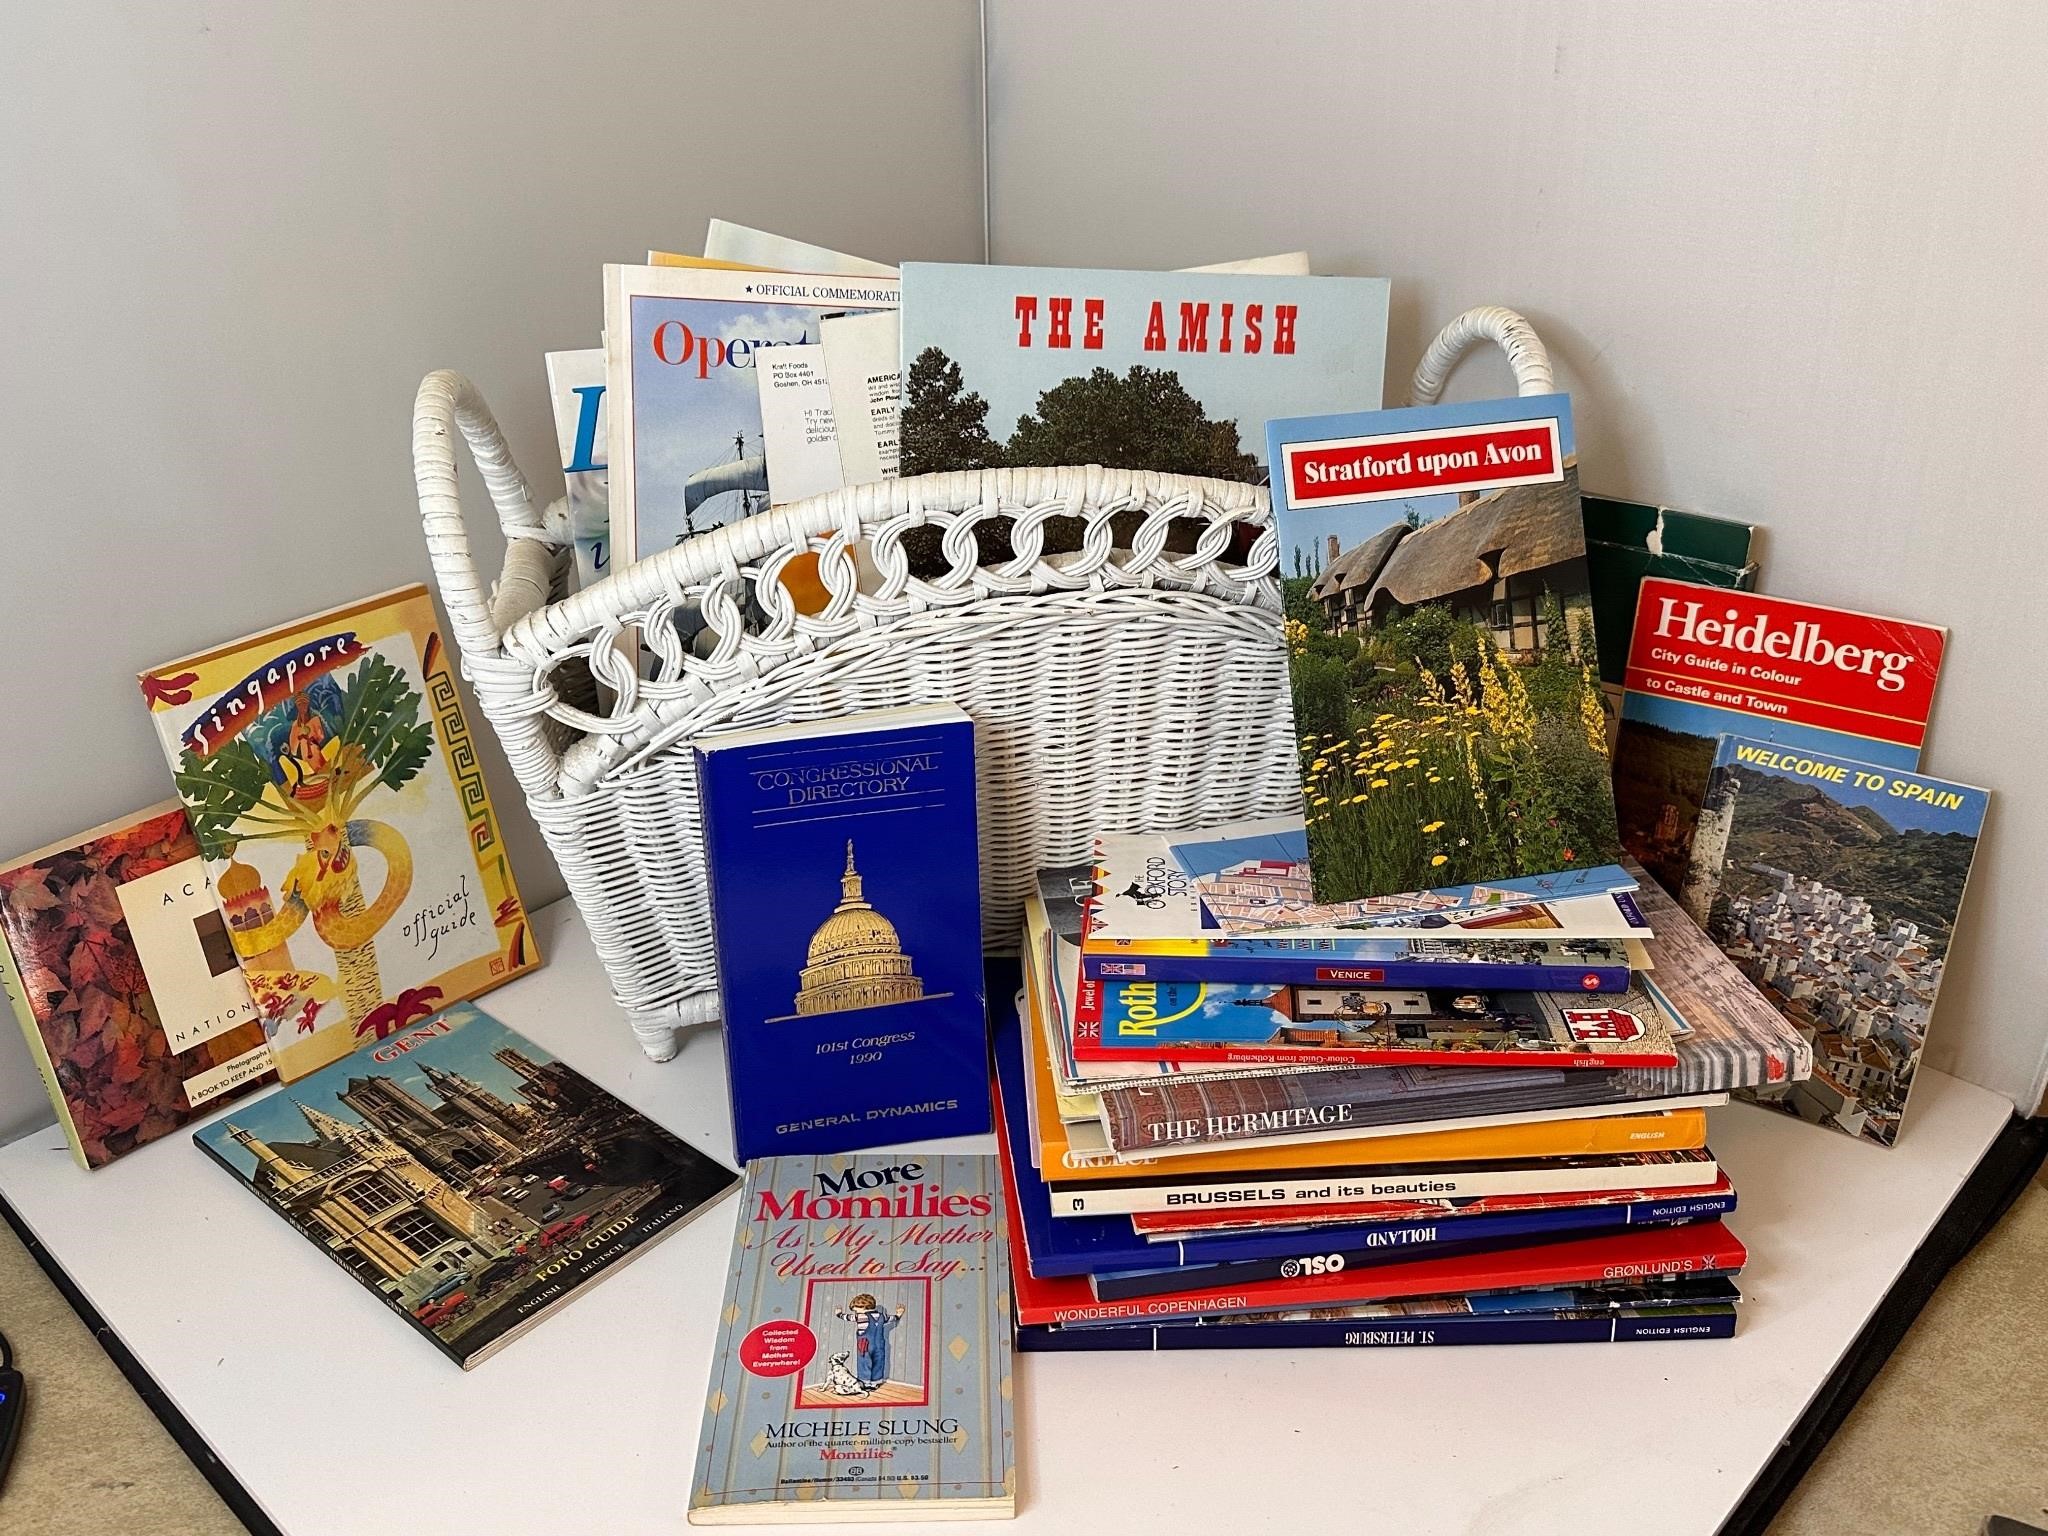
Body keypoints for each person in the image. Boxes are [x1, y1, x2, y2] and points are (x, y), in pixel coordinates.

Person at [834, 1293, 905, 1392]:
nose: (855, 1311)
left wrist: (838, 1314)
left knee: (864, 1363)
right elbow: (892, 1318)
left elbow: (847, 1317)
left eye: (855, 1309)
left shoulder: (861, 1316)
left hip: (865, 1345)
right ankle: (875, 1383)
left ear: (863, 1306)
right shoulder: (881, 1316)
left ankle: (865, 1382)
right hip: (879, 1345)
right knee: (878, 1363)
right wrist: (898, 1314)